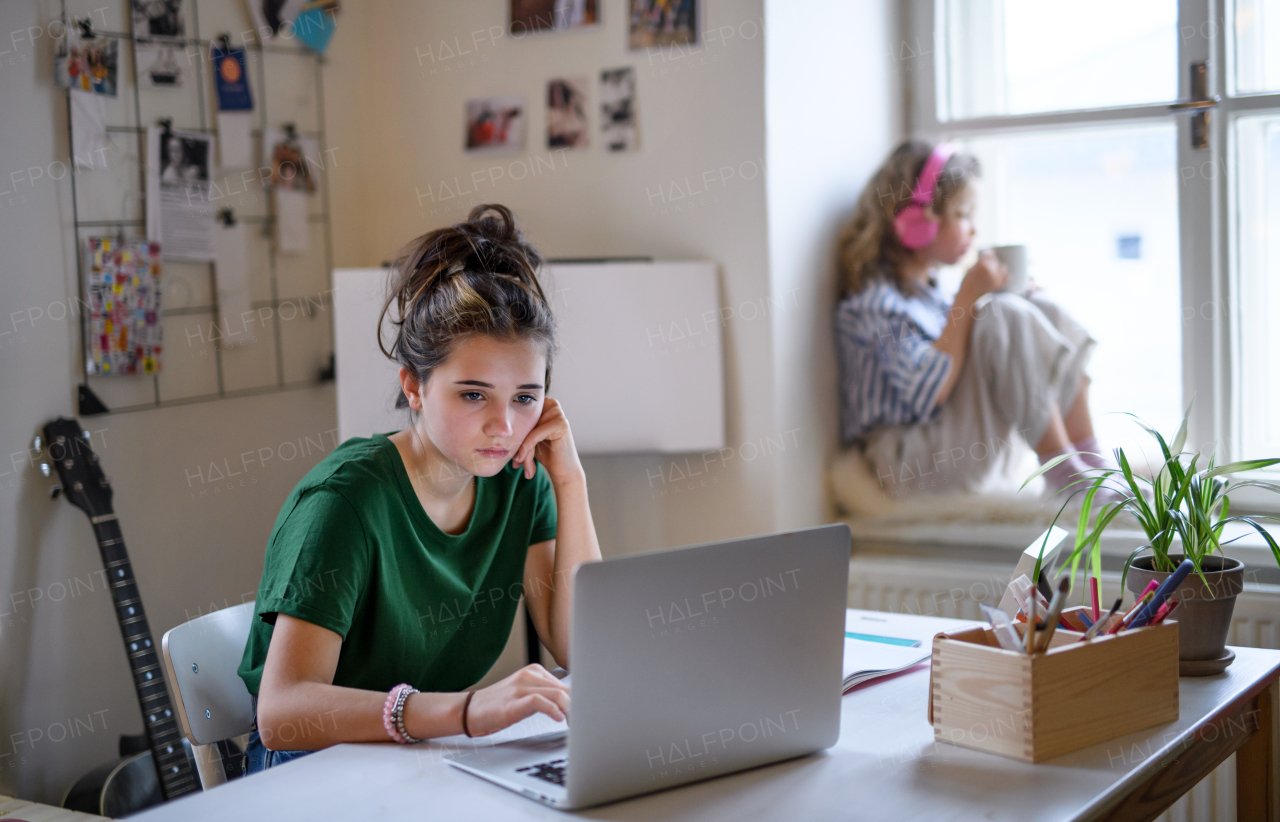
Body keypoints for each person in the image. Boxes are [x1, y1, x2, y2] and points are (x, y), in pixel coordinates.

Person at [237, 204, 601, 772]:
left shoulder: (521, 480)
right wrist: (465, 712)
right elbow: (282, 712)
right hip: (312, 767)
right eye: (474, 394)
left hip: (428, 756)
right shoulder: (345, 502)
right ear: (414, 386)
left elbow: (581, 649)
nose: (504, 427)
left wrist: (571, 480)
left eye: (525, 397)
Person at [833, 140, 1117, 503]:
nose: (973, 231)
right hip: (908, 463)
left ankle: (1091, 462)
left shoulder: (933, 294)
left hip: (953, 444)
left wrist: (1014, 310)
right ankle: (1066, 478)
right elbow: (927, 395)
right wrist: (970, 298)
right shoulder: (875, 306)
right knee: (1001, 314)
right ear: (915, 221)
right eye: (964, 214)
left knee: (1038, 308)